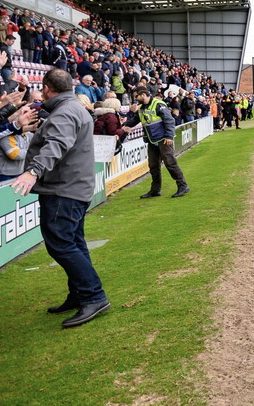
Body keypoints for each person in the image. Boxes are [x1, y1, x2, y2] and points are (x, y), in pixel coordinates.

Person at [10, 69, 110, 327]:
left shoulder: (65, 112)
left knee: (62, 244)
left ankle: (93, 296)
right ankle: (80, 294)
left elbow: (56, 145)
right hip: (72, 188)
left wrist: (33, 172)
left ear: (46, 87)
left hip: (63, 190)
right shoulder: (72, 107)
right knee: (73, 242)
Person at [122, 87, 190, 198]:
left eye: (136, 96)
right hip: (151, 140)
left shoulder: (158, 104)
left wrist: (169, 136)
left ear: (143, 94)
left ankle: (182, 185)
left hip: (164, 140)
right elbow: (135, 120)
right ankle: (155, 190)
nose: (135, 99)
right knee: (153, 166)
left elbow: (169, 120)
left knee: (170, 163)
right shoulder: (141, 108)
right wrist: (124, 126)